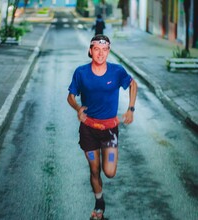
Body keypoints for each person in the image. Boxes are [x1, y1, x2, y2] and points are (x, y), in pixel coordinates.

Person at [67, 34, 137, 220]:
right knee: (94, 170)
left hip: (109, 131)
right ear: (90, 51)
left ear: (108, 51)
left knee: (110, 172)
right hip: (88, 130)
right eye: (97, 49)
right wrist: (78, 108)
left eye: (104, 49)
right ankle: (99, 204)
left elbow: (133, 84)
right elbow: (71, 96)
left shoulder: (117, 71)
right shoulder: (81, 72)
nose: (100, 53)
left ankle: (100, 197)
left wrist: (130, 109)